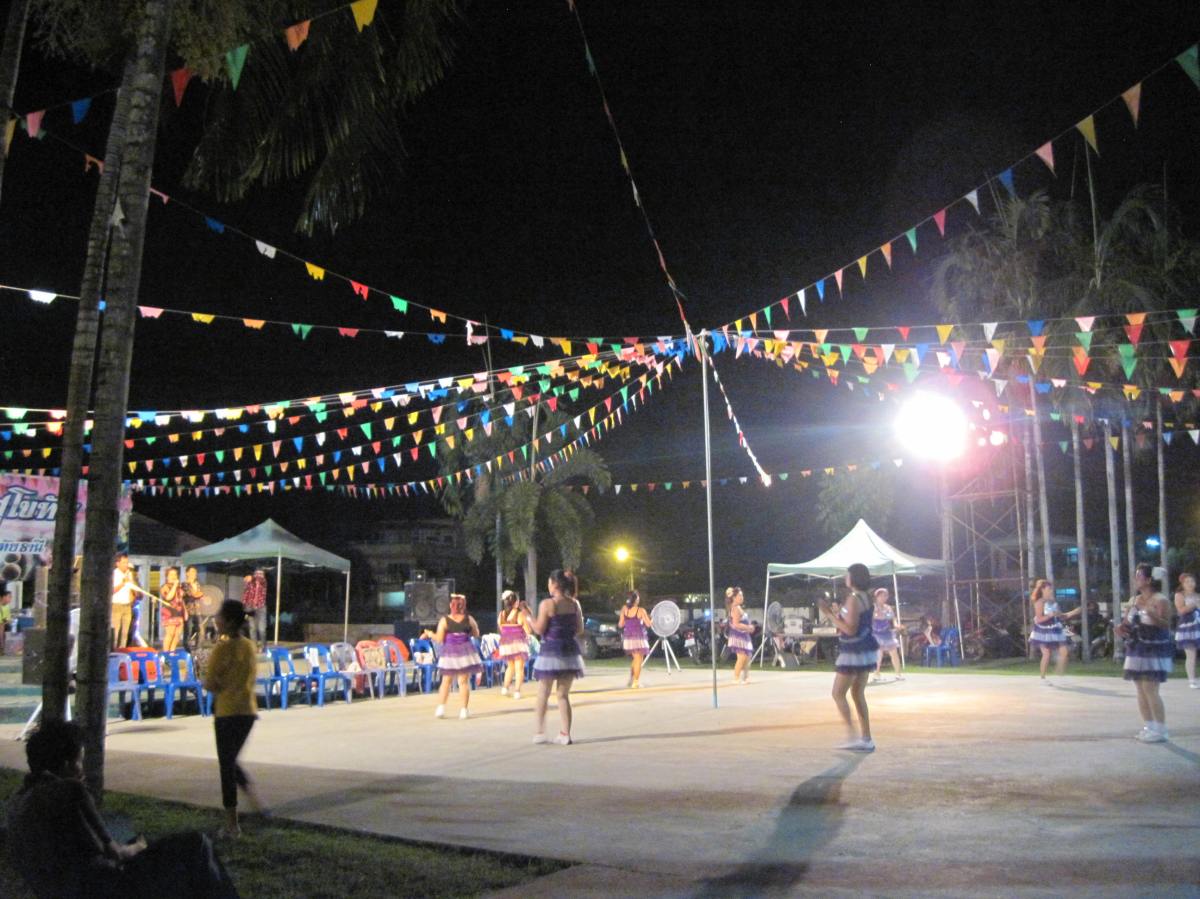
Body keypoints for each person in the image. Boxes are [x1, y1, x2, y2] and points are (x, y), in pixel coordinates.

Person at [5, 719, 240, 898]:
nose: (81, 770)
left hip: (62, 890)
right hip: (106, 889)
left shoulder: (18, 803)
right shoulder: (69, 791)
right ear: (67, 763)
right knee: (196, 845)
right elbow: (113, 853)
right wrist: (137, 847)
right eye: (79, 761)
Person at [202, 600, 264, 838]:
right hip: (247, 711)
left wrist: (210, 680)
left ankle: (232, 824)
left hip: (227, 712)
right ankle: (256, 803)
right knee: (231, 761)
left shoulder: (222, 649)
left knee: (226, 766)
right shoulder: (249, 646)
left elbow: (210, 684)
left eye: (219, 615)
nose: (215, 619)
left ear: (227, 621)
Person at [819, 563, 879, 752]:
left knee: (838, 693)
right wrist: (838, 614)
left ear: (854, 578)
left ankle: (853, 735)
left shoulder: (854, 598)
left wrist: (829, 615)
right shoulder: (866, 597)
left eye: (847, 575)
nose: (845, 577)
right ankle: (866, 738)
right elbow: (855, 622)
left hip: (853, 651)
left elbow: (850, 629)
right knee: (857, 694)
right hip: (864, 650)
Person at [1118, 564, 1174, 742]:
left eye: (1139, 576)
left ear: (1149, 580)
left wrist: (1152, 615)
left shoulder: (1161, 600)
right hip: (1137, 647)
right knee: (1140, 688)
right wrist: (1121, 628)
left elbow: (1166, 624)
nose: (1136, 579)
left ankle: (1161, 729)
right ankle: (1149, 726)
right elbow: (1127, 623)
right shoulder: (1134, 600)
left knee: (1150, 687)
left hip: (1154, 647)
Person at [531, 569, 585, 745]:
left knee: (543, 693)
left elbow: (539, 629)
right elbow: (579, 629)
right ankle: (565, 734)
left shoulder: (547, 604)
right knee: (563, 695)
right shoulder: (575, 604)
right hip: (569, 652)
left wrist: (528, 617)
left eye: (549, 582)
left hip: (550, 651)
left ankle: (540, 732)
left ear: (554, 584)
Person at [430, 594, 483, 719]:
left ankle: (441, 708)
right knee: (463, 682)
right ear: (463, 606)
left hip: (449, 653)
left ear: (451, 606)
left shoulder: (444, 620)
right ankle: (464, 710)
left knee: (446, 681)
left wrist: (429, 634)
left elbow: (439, 639)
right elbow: (476, 633)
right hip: (465, 652)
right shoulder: (469, 619)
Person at [1029, 578, 1081, 682]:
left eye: (1051, 589)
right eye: (1049, 589)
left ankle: (1059, 673)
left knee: (1064, 651)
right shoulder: (1039, 602)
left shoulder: (1052, 601)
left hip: (1055, 628)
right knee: (1046, 653)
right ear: (1042, 589)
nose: (1050, 591)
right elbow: (1039, 619)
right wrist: (1050, 615)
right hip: (1043, 630)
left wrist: (1074, 612)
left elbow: (1061, 616)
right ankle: (1042, 677)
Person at [498, 589, 530, 698]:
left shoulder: (501, 614)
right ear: (515, 602)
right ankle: (517, 691)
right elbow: (528, 630)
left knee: (510, 666)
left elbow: (501, 629)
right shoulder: (519, 614)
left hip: (506, 644)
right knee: (519, 668)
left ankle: (505, 688)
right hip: (518, 643)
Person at [618, 589, 652, 688]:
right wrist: (652, 619)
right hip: (638, 638)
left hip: (628, 638)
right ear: (636, 599)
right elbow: (648, 624)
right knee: (638, 659)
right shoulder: (641, 610)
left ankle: (632, 679)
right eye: (638, 597)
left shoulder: (624, 609)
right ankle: (635, 682)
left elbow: (620, 624)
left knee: (636, 659)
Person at [870, 587, 904, 681]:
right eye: (881, 596)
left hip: (887, 633)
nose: (883, 597)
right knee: (878, 654)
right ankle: (876, 674)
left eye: (885, 596)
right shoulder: (873, 607)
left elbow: (893, 618)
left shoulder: (888, 608)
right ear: (876, 597)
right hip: (876, 633)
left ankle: (898, 674)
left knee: (894, 653)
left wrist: (896, 625)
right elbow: (871, 618)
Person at [1173, 571, 1199, 689]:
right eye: (1187, 581)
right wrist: (1194, 604)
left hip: (1198, 624)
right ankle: (1192, 680)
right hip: (1187, 627)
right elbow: (1181, 610)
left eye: (1192, 581)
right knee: (1191, 654)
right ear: (1182, 584)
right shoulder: (1180, 595)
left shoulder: (1197, 595)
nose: (1190, 583)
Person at [724, 586, 755, 684]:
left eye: (742, 595)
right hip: (738, 636)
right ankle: (736, 678)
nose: (742, 597)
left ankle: (746, 677)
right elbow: (736, 624)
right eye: (740, 595)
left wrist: (749, 628)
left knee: (747, 657)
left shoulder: (738, 607)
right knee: (741, 657)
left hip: (744, 635)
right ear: (734, 597)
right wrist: (748, 628)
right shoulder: (735, 608)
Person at [159, 566, 187, 652]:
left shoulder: (179, 587)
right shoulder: (165, 587)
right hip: (169, 613)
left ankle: (172, 652)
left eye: (175, 574)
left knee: (177, 635)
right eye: (171, 574)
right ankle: (166, 653)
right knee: (170, 633)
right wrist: (174, 585)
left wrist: (185, 611)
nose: (173, 576)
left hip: (179, 612)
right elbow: (168, 597)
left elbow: (181, 600)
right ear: (167, 576)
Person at [111, 553, 134, 650]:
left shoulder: (129, 574)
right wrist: (123, 583)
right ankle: (113, 651)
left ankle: (123, 650)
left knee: (125, 633)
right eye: (124, 562)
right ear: (117, 563)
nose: (126, 565)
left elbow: (131, 589)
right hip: (116, 605)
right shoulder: (114, 574)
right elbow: (111, 590)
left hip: (127, 606)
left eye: (127, 562)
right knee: (116, 631)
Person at [241, 569, 268, 649]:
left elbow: (260, 580)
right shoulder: (249, 583)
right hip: (250, 607)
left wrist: (252, 578)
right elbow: (246, 594)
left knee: (262, 629)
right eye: (257, 573)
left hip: (261, 607)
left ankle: (263, 646)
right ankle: (254, 646)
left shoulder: (263, 582)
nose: (259, 575)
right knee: (252, 628)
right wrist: (244, 605)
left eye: (261, 574)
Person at [182, 565, 204, 649]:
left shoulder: (197, 584)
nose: (194, 574)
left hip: (198, 610)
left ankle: (198, 648)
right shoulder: (184, 584)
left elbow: (200, 594)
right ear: (187, 573)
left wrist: (198, 594)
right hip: (188, 610)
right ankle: (187, 649)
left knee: (200, 630)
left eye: (195, 572)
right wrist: (197, 594)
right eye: (192, 572)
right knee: (188, 630)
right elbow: (193, 594)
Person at [0, 587, 12, 655]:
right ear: (3, 597)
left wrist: (6, 621)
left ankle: (2, 647)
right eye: (9, 597)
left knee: (7, 627)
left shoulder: (6, 607)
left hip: (2, 625)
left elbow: (7, 619)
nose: (10, 599)